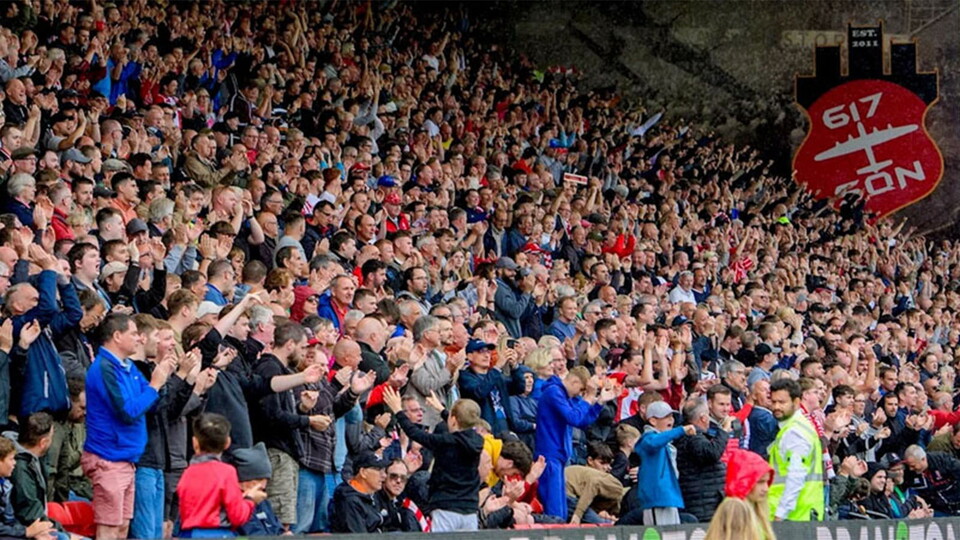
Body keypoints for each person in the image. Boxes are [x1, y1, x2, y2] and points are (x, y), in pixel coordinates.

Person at [83, 313, 176, 540]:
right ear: (117, 336)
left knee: (123, 526)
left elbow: (151, 400)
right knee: (109, 528)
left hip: (126, 459)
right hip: (109, 457)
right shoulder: (105, 368)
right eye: (134, 334)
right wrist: (155, 383)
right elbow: (127, 411)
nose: (140, 339)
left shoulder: (127, 367)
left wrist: (160, 375)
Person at [383, 386, 484, 532]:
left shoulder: (446, 441)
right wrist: (442, 410)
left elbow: (415, 433)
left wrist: (398, 411)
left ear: (454, 419)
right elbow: (461, 425)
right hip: (470, 509)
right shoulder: (477, 440)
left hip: (446, 508)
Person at [534, 367, 618, 521]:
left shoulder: (565, 396)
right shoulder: (554, 392)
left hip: (559, 458)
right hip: (549, 457)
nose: (580, 395)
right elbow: (573, 417)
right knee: (554, 511)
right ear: (574, 381)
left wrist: (599, 403)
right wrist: (588, 397)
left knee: (562, 511)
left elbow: (582, 422)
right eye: (580, 390)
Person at [176, 413, 266, 538]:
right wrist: (250, 500)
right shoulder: (227, 472)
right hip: (218, 533)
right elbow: (237, 516)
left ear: (194, 442)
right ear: (227, 442)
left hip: (188, 534)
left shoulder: (187, 473)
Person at [768, 378, 824, 522]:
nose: (776, 407)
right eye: (773, 402)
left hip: (793, 517)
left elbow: (796, 475)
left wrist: (781, 513)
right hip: (802, 512)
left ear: (796, 402)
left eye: (782, 402)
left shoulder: (795, 432)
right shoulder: (798, 426)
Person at [633, 401, 697, 526]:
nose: (671, 420)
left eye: (671, 416)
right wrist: (681, 430)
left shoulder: (666, 442)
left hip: (668, 497)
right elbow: (654, 443)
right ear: (652, 421)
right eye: (666, 417)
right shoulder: (648, 438)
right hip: (657, 498)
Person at [329, 452, 389, 533]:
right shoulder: (349, 501)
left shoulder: (372, 494)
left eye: (383, 470)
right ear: (363, 472)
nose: (384, 476)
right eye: (378, 470)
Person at [724, 448, 775, 540]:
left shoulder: (759, 513)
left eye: (767, 482)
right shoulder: (734, 513)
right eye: (760, 482)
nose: (766, 489)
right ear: (744, 482)